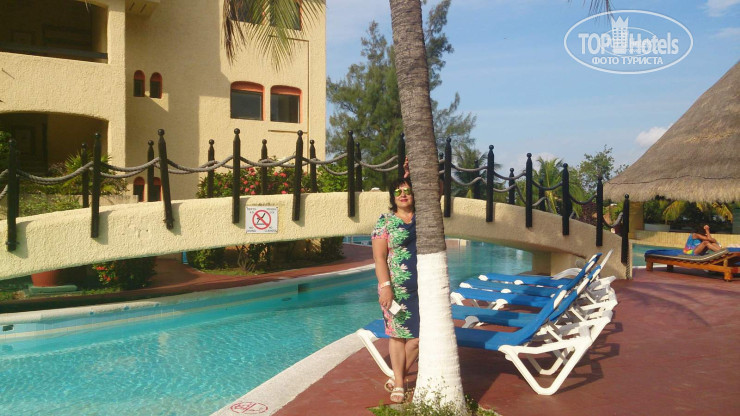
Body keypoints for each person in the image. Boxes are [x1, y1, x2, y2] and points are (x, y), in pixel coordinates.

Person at [371, 177, 419, 404]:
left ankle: (396, 375)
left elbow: (438, 188)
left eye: (407, 190)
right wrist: (386, 288)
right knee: (398, 336)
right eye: (398, 192)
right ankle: (400, 383)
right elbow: (379, 258)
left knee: (419, 338)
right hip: (395, 290)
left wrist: (412, 173)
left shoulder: (424, 217)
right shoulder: (385, 221)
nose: (403, 195)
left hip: (423, 290)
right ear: (392, 197)